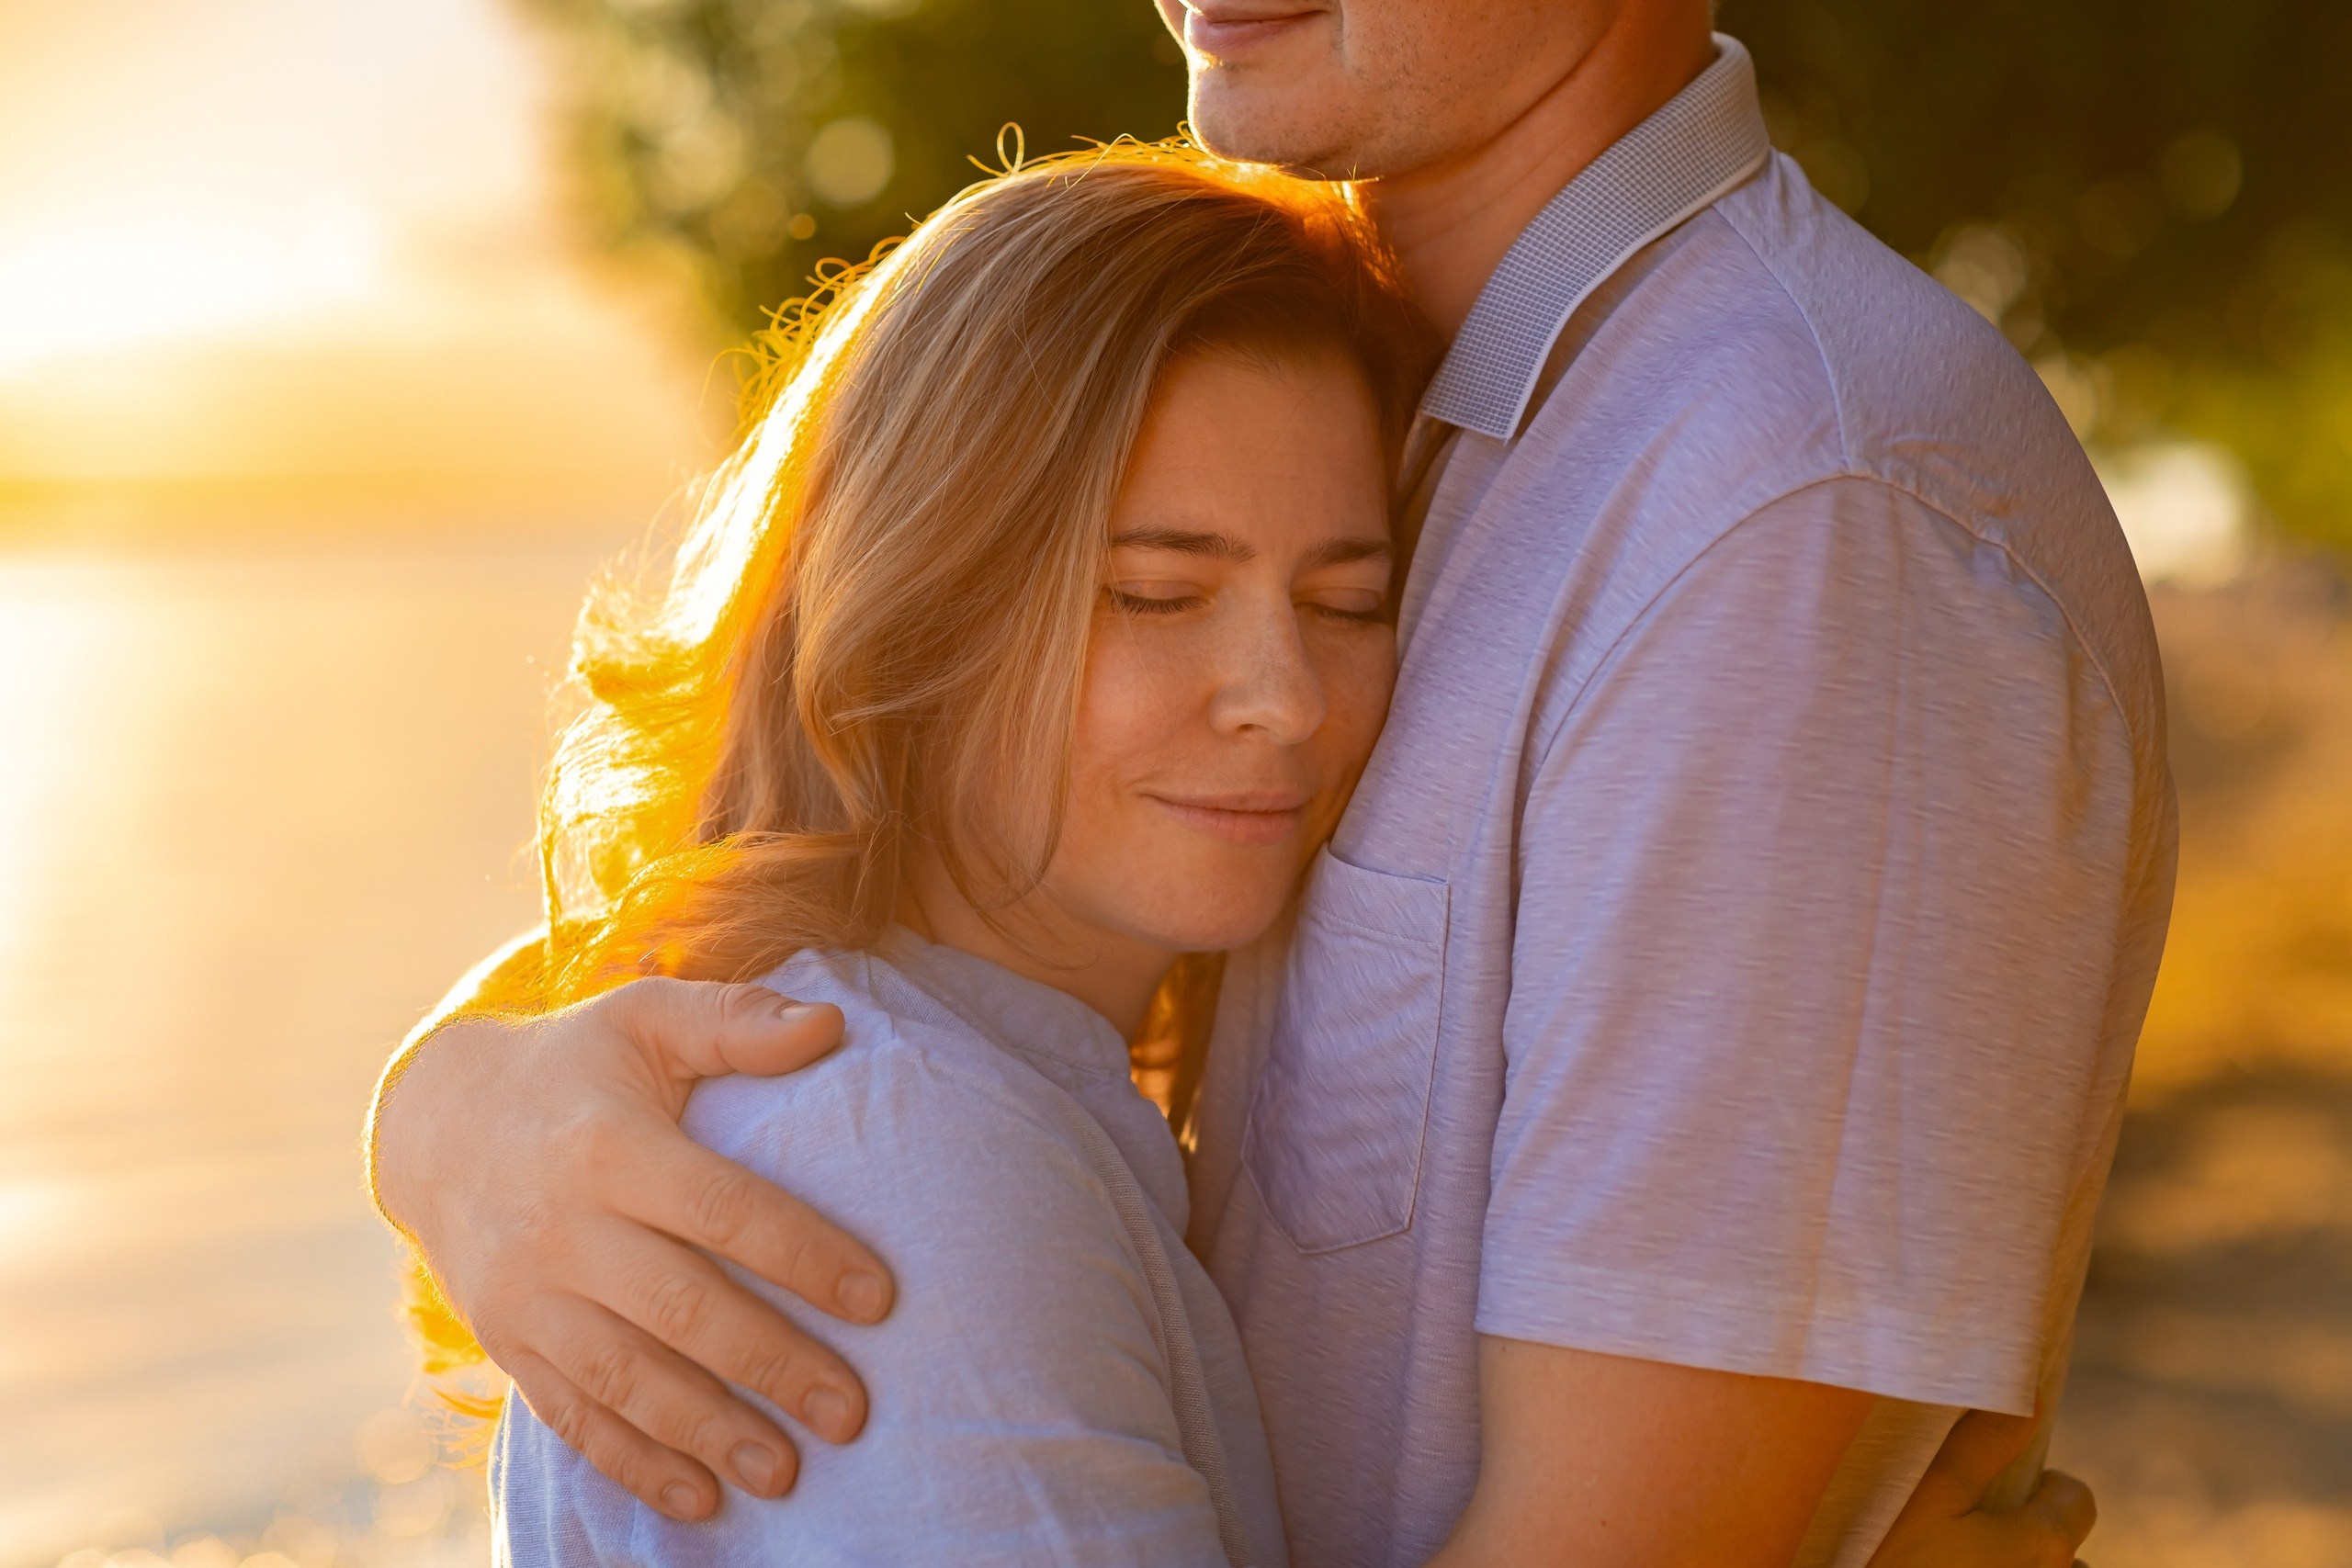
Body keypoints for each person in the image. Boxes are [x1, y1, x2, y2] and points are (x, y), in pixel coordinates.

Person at [370, 2, 2173, 1563]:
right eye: (1163, 590)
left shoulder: (1791, 515)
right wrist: (445, 1105)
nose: (1280, 693)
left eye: (1341, 603)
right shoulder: (1397, 402)